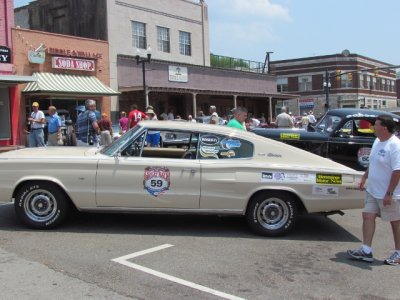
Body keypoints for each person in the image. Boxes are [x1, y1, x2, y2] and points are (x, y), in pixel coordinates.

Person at [347, 115, 400, 265]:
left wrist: (389, 193)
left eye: (375, 125)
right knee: (367, 216)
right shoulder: (377, 141)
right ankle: (366, 250)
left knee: (396, 222)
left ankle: (399, 253)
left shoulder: (395, 145)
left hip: (390, 193)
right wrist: (364, 178)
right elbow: (373, 162)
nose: (372, 127)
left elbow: (397, 171)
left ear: (384, 128)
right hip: (373, 190)